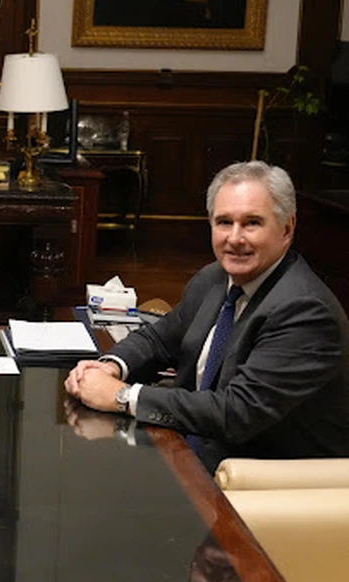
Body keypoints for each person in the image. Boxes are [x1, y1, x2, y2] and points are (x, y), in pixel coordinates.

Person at [64, 161, 349, 466]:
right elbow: (158, 340)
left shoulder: (305, 311)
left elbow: (236, 412)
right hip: (193, 452)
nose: (235, 238)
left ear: (287, 229)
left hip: (266, 483)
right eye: (224, 222)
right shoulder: (213, 279)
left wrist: (123, 397)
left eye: (252, 223)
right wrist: (110, 367)